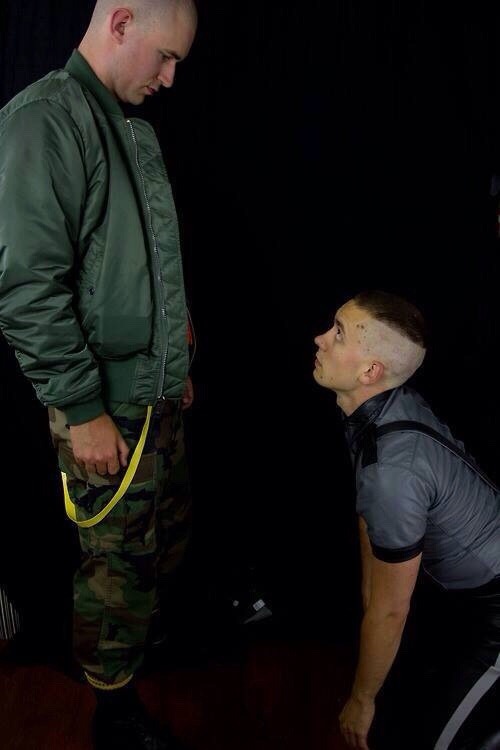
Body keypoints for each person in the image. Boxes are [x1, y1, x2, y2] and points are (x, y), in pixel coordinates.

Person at [0, 1, 198, 748]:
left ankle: (138, 659)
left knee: (160, 546)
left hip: (155, 398)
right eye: (166, 56)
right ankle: (114, 714)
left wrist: (175, 359)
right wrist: (82, 411)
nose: (171, 78)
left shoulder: (125, 125)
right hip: (104, 410)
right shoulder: (45, 120)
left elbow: (134, 267)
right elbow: (27, 288)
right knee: (116, 568)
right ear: (120, 23)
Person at [313, 290, 500, 750]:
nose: (320, 339)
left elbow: (391, 610)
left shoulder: (393, 471)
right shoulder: (376, 411)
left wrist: (361, 700)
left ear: (369, 372)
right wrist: (369, 592)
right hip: (467, 597)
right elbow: (369, 509)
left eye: (338, 333)